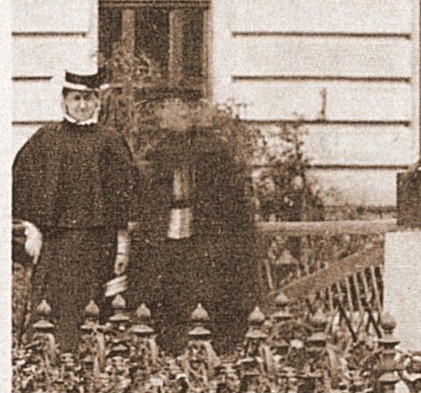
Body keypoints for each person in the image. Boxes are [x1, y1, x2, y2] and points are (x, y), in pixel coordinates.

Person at [10, 66, 140, 348]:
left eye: (88, 99)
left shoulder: (111, 141)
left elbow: (125, 197)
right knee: (52, 310)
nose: (82, 105)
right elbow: (21, 184)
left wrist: (122, 245)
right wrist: (32, 229)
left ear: (97, 102)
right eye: (76, 99)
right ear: (64, 101)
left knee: (96, 311)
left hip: (98, 243)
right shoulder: (46, 139)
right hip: (58, 244)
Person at [128, 94, 261, 353]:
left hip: (204, 244)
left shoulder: (214, 153)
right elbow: (146, 203)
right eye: (176, 107)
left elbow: (232, 207)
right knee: (167, 300)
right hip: (166, 243)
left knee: (205, 298)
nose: (182, 113)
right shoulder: (159, 152)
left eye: (188, 108)